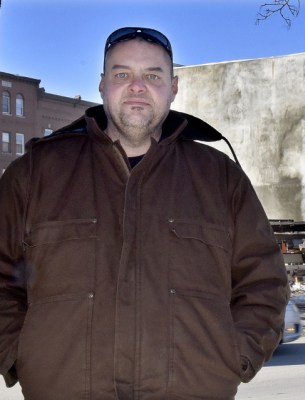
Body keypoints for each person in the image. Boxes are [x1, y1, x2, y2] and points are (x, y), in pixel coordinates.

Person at [0, 27, 290, 399]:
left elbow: (263, 283)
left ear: (173, 88)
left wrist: (235, 358)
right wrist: (20, 356)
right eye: (122, 74)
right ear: (103, 86)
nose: (137, 86)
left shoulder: (220, 179)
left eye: (152, 76)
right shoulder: (36, 173)